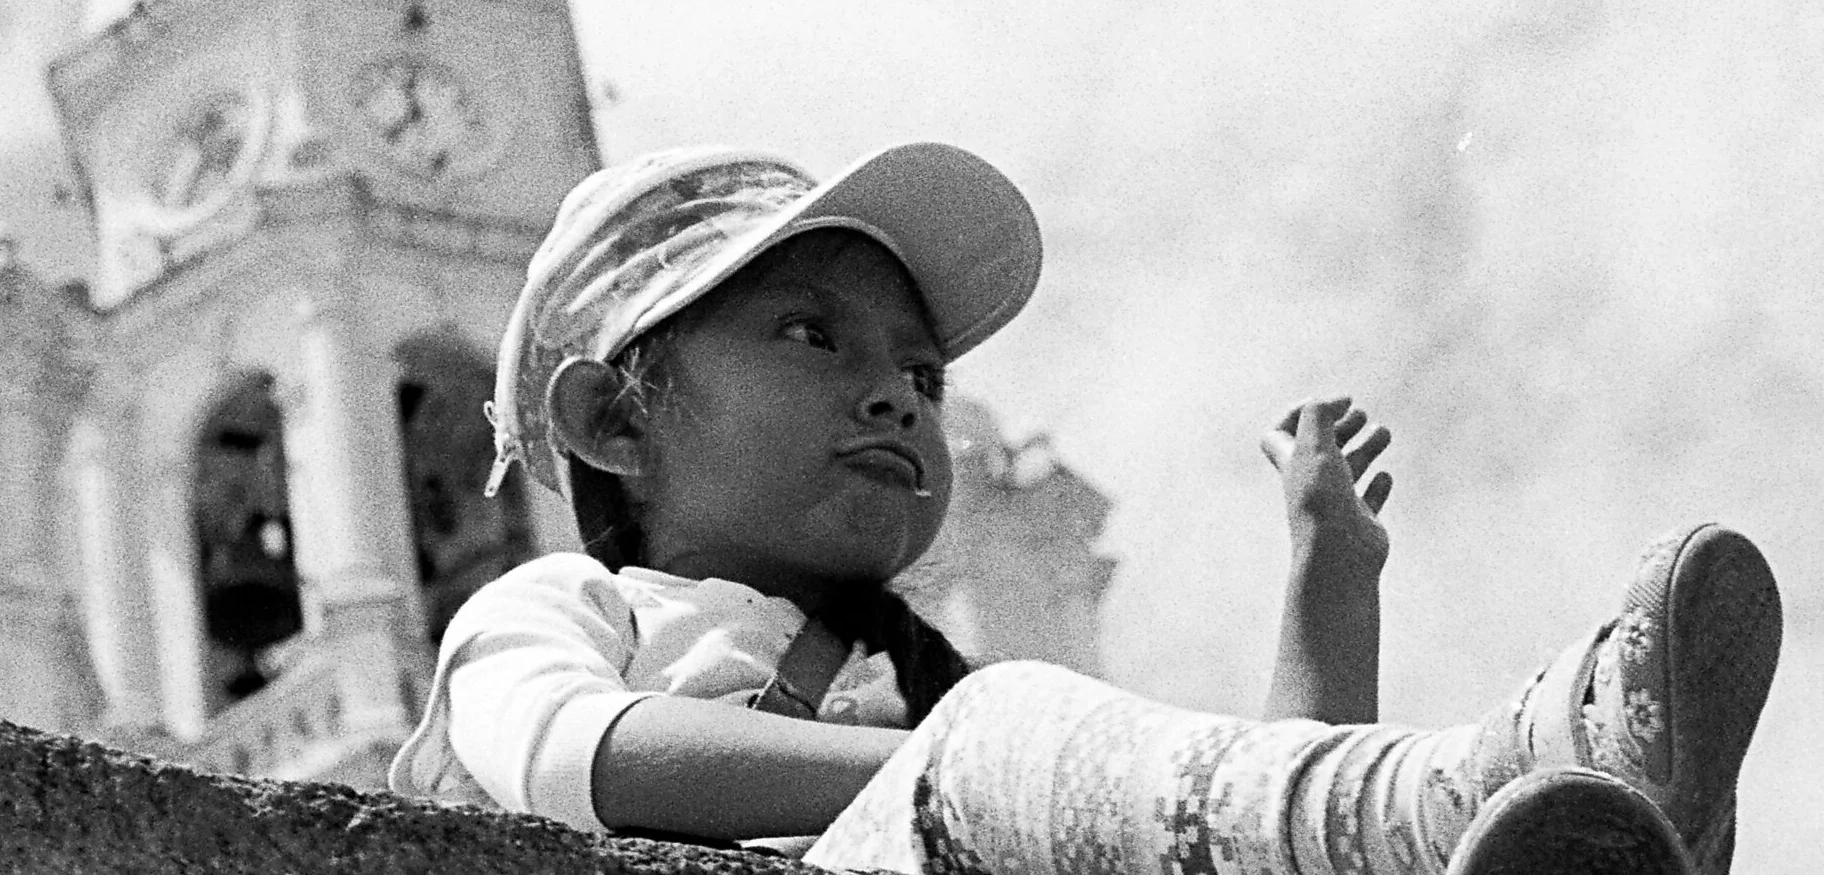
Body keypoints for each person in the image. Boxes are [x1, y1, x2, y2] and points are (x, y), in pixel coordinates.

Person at [387, 143, 1781, 875]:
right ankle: (1525, 776)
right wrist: (957, 768)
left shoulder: (934, 687)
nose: (894, 396)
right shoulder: (558, 610)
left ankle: (1586, 819)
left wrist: (1326, 579)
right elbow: (572, 754)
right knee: (1027, 742)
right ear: (613, 419)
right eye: (811, 336)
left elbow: (1251, 816)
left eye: (922, 373)